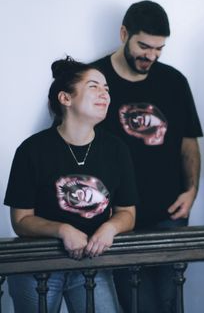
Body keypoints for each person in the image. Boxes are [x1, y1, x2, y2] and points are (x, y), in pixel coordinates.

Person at [93, 0, 203, 313]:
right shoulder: (95, 81)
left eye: (159, 48)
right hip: (117, 217)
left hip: (169, 212)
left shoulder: (174, 82)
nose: (151, 56)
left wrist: (192, 191)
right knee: (137, 305)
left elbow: (188, 143)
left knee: (170, 302)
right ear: (123, 34)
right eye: (144, 46)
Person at [4, 57, 137, 313]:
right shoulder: (32, 150)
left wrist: (110, 228)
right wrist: (62, 230)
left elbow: (127, 213)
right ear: (65, 98)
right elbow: (21, 220)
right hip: (38, 264)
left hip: (92, 263)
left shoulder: (117, 149)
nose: (105, 94)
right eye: (94, 86)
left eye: (106, 88)